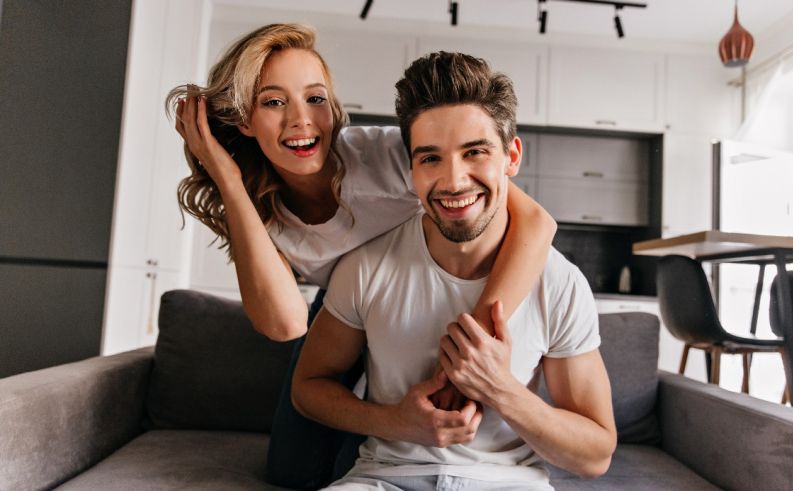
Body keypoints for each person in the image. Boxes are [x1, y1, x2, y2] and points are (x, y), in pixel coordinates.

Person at [168, 24, 556, 489]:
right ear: (244, 121)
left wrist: (470, 347)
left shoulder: (386, 153)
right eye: (273, 102)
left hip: (421, 294)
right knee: (293, 470)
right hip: (341, 309)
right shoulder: (257, 208)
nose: (301, 120)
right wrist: (227, 177)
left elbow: (537, 222)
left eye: (315, 98)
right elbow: (288, 324)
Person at [291, 51, 617, 491]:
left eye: (475, 152)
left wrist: (500, 388)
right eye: (430, 159)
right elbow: (309, 387)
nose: (453, 180)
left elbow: (596, 454)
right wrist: (395, 422)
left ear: (512, 155)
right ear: (411, 169)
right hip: (385, 480)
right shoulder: (368, 265)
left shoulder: (559, 284)